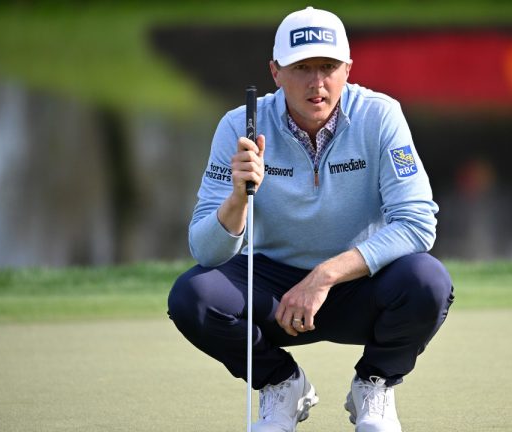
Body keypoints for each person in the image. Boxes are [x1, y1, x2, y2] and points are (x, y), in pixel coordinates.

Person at [168, 7, 454, 432]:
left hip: (358, 284)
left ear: (348, 69)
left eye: (328, 67)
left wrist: (324, 276)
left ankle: (374, 383)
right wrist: (237, 198)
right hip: (270, 292)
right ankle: (281, 384)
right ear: (276, 71)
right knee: (192, 296)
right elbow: (205, 250)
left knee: (427, 281)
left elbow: (417, 222)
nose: (316, 82)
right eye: (301, 68)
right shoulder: (239, 125)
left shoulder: (380, 116)